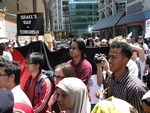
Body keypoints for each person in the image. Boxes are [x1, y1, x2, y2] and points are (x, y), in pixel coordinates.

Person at [95, 42, 148, 113]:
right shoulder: (111, 79)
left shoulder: (136, 88)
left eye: (113, 57)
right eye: (109, 56)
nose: (109, 60)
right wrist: (103, 96)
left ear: (125, 60)